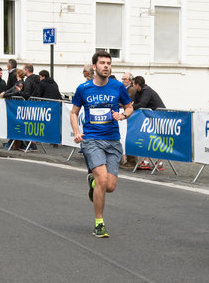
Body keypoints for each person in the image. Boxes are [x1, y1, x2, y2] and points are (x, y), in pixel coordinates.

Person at [70, 50, 133, 238]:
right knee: (103, 180)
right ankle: (99, 223)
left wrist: (123, 115)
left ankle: (92, 181)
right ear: (94, 66)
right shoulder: (84, 88)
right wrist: (76, 132)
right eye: (102, 63)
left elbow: (129, 107)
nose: (106, 66)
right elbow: (74, 112)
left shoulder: (117, 86)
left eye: (109, 63)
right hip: (92, 140)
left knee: (110, 186)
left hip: (113, 140)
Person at [133, 76, 166, 170]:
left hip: (160, 116)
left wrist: (131, 107)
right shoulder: (138, 92)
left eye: (133, 84)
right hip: (150, 117)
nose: (132, 86)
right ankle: (146, 161)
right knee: (147, 138)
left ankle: (159, 163)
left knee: (157, 139)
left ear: (137, 85)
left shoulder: (147, 90)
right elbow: (135, 103)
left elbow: (141, 104)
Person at [119, 72, 137, 169]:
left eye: (124, 79)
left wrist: (116, 103)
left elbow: (126, 102)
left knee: (130, 137)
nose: (122, 81)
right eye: (122, 79)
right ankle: (124, 158)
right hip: (126, 115)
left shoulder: (131, 89)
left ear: (130, 80)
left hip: (130, 115)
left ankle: (132, 160)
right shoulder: (125, 89)